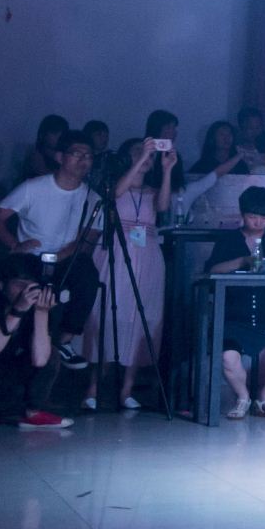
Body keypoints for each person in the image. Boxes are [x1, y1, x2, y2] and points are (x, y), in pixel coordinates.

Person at [0, 131, 103, 370]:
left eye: (88, 156)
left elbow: (89, 238)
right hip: (30, 259)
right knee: (18, 284)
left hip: (65, 260)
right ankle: (3, 341)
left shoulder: (93, 197)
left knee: (87, 273)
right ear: (60, 157)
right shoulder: (33, 188)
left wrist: (62, 255)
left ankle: (64, 340)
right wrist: (15, 245)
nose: (83, 160)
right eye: (77, 154)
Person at [82, 138, 175, 411]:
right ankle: (93, 387)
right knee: (107, 313)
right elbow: (116, 194)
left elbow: (163, 207)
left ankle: (127, 389)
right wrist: (140, 158)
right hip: (116, 249)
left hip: (147, 255)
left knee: (140, 317)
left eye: (149, 154)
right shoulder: (115, 183)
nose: (146, 157)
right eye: (138, 152)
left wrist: (167, 169)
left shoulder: (152, 190)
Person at [203, 186, 265, 419]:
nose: (258, 222)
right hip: (235, 314)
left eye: (264, 218)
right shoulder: (229, 240)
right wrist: (242, 261)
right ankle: (243, 397)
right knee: (228, 357)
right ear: (243, 215)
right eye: (253, 217)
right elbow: (211, 270)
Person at [0, 254, 68, 429]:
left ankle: (32, 412)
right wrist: (17, 311)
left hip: (8, 386)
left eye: (32, 285)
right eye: (20, 284)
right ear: (2, 286)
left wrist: (41, 313)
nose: (26, 290)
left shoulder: (39, 311)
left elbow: (41, 360)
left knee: (52, 353)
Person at [20, 115, 69, 184]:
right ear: (42, 134)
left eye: (62, 134)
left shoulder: (62, 155)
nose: (59, 137)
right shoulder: (36, 155)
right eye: (54, 133)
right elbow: (47, 178)